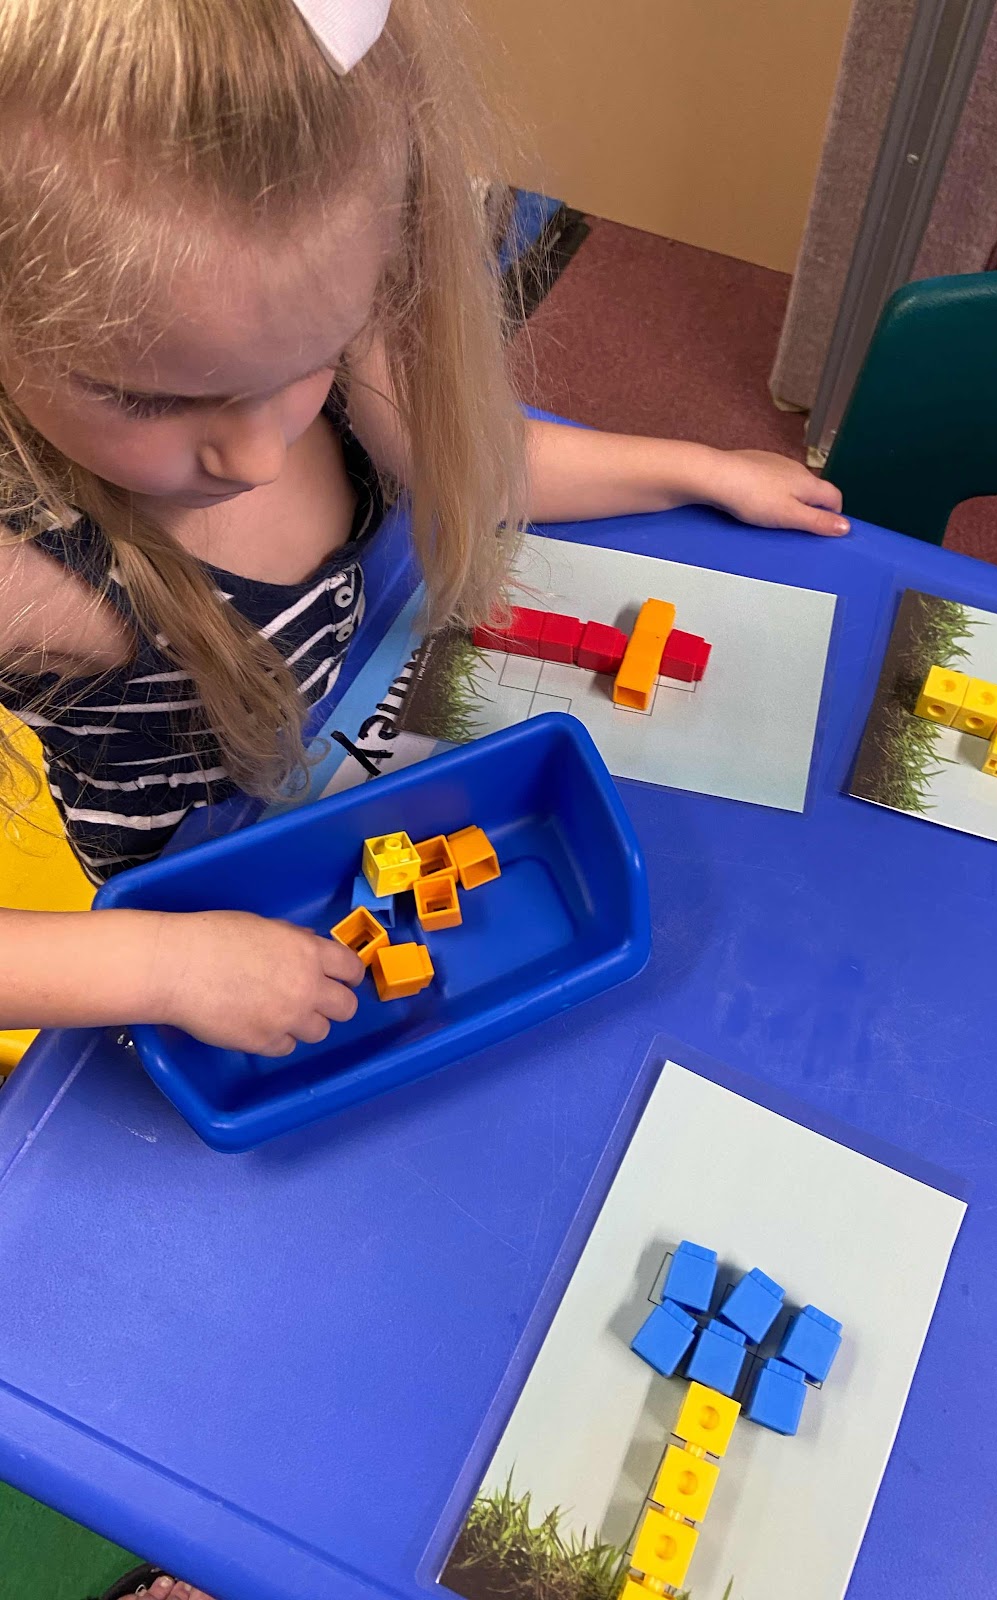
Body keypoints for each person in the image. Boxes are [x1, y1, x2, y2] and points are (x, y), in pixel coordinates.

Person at [0, 0, 846, 1060]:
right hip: (183, 943)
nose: (256, 455)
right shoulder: (29, 567)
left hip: (348, 801)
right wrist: (162, 969)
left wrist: (696, 469)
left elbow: (480, 467)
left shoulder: (335, 338)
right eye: (153, 400)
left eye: (306, 364)